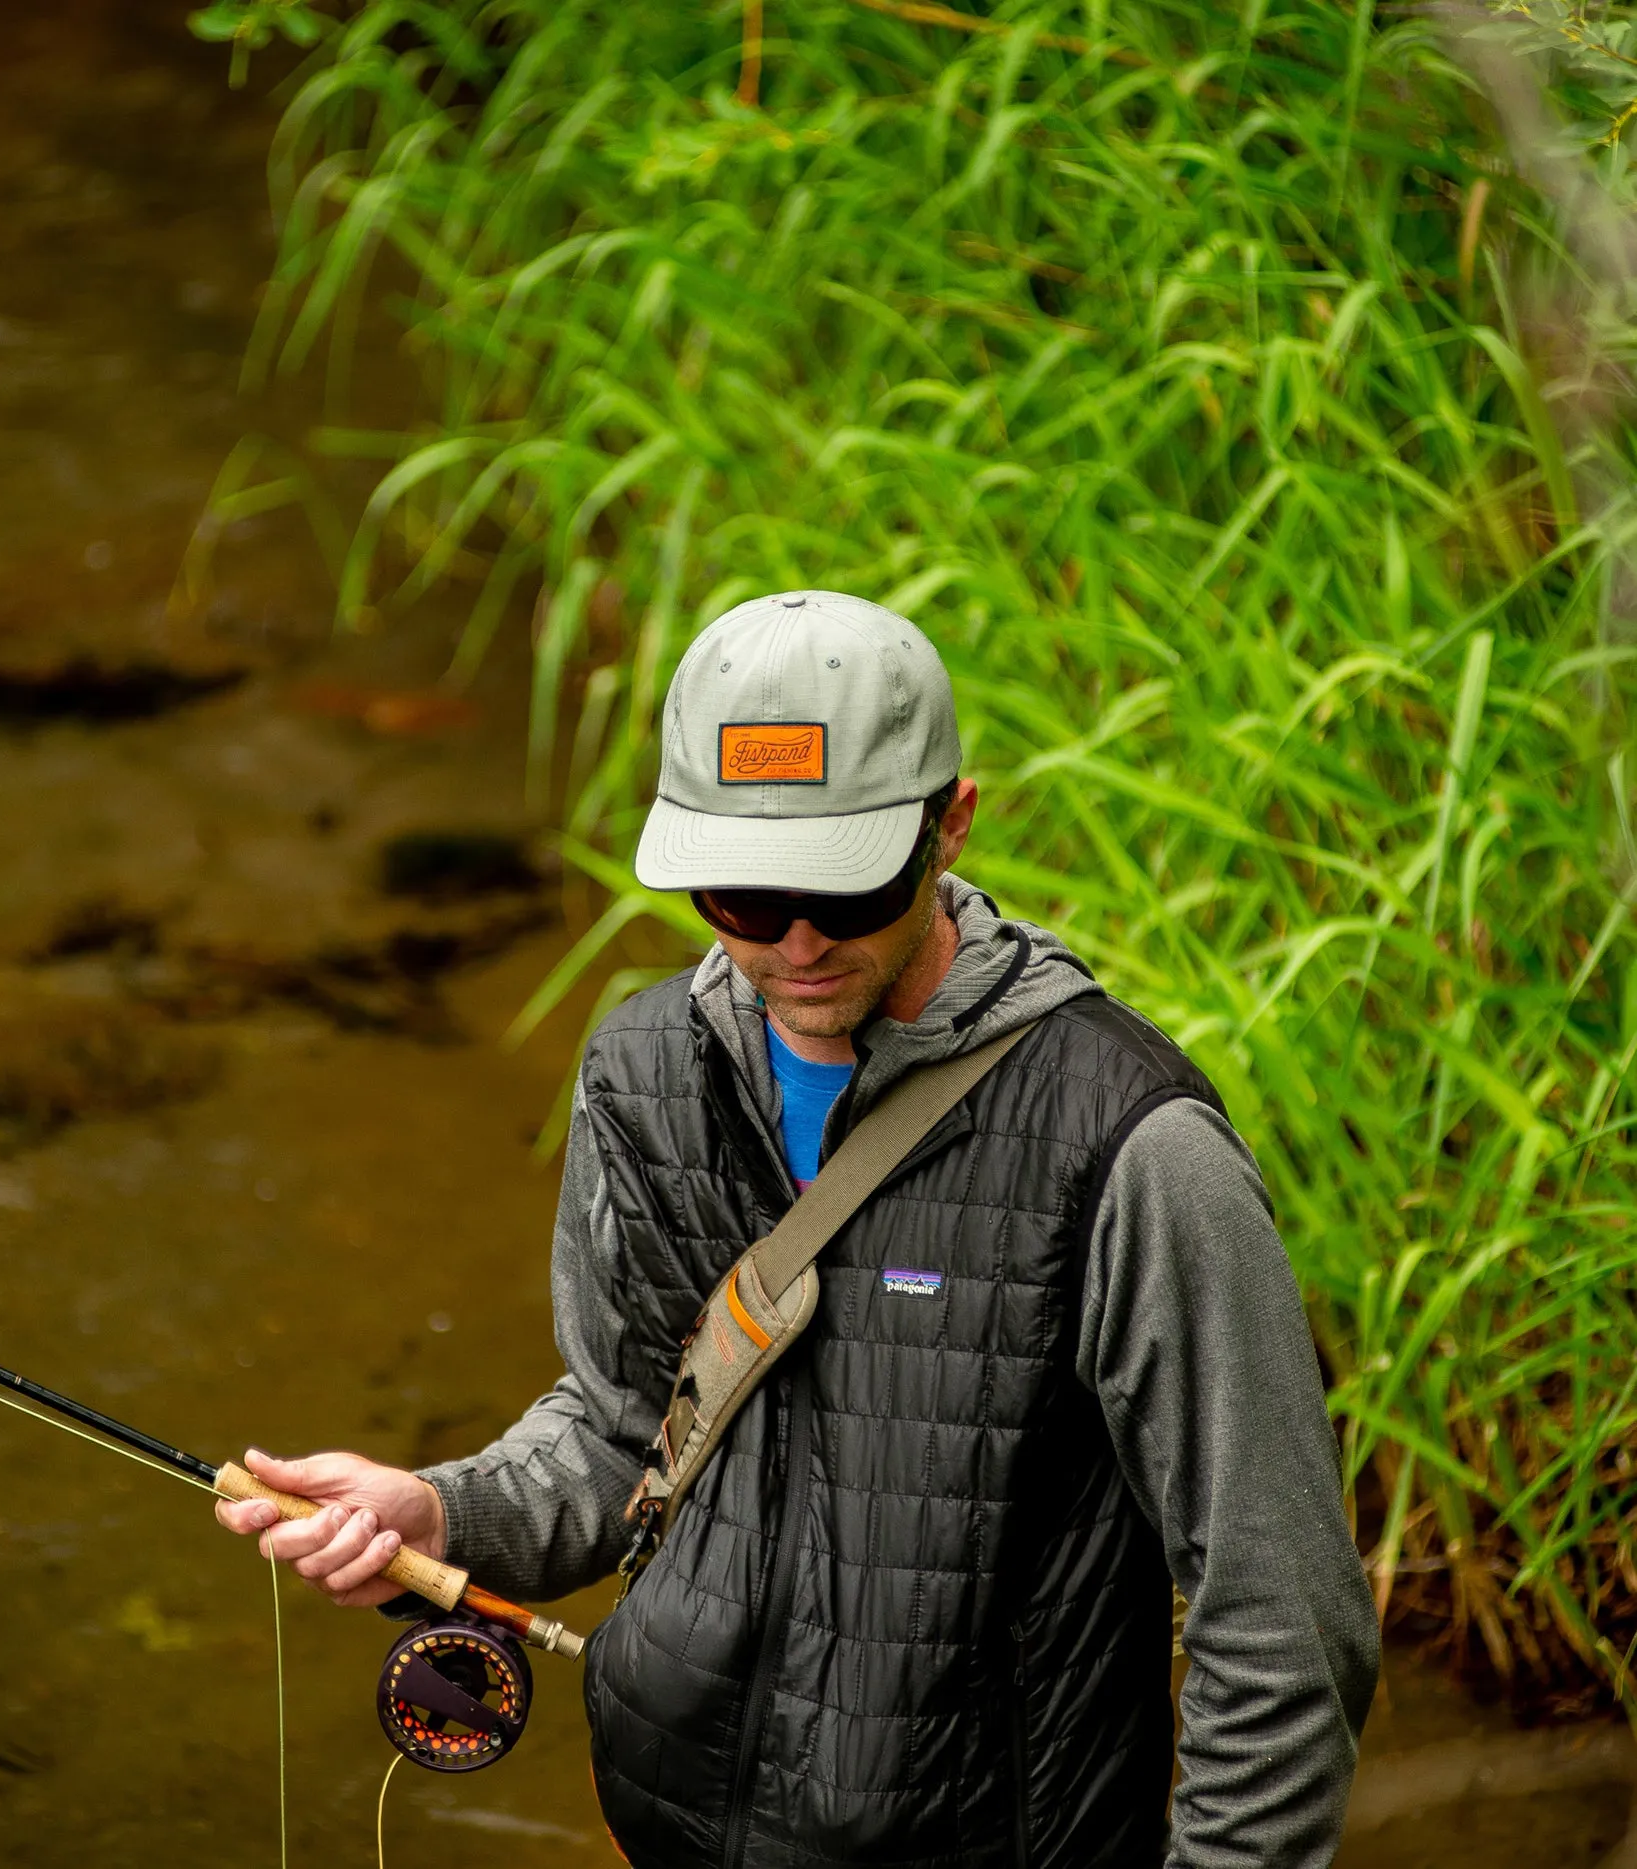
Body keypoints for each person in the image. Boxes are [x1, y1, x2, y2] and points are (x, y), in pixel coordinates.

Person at [216, 591, 1380, 1868]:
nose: (804, 942)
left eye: (851, 885)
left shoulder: (1135, 1150)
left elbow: (1284, 1627)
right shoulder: (644, 1071)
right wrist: (443, 1517)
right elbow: (623, 1431)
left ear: (952, 825)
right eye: (747, 897)